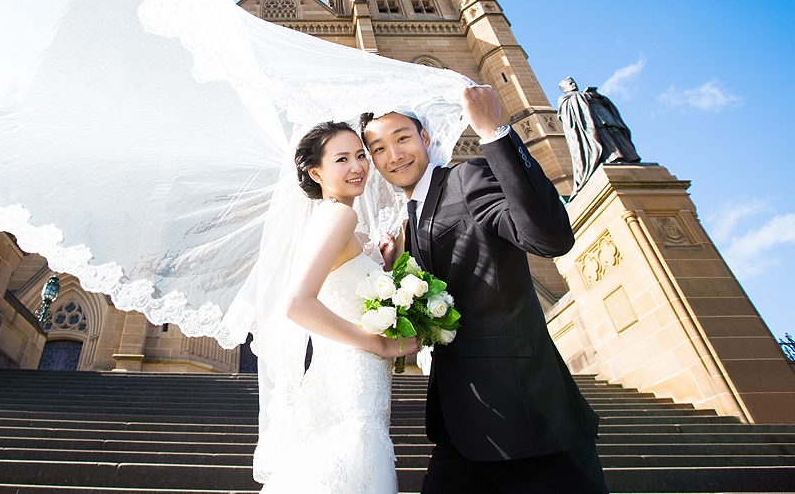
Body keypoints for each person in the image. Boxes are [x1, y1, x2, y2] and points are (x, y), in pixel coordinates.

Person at [361, 85, 608, 494]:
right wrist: (393, 272)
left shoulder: (466, 177)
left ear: (425, 137)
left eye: (402, 138)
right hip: (462, 424)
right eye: (379, 149)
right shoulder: (411, 217)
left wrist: (494, 132)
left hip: (528, 415)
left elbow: (549, 238)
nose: (394, 155)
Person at [257, 120, 417, 494]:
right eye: (342, 159)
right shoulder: (342, 215)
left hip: (338, 373)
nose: (358, 166)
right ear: (317, 173)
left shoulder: (334, 220)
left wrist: (383, 267)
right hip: (351, 374)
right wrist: (380, 344)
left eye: (361, 155)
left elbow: (341, 289)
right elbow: (297, 304)